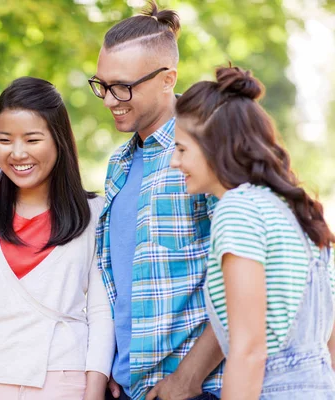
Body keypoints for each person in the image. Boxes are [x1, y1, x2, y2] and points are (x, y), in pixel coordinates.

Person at [0, 77, 114, 400]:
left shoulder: (94, 213)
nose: (17, 153)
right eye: (5, 139)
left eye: (32, 139)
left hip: (63, 380)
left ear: (59, 141)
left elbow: (101, 313)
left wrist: (93, 391)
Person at [170, 65, 335, 399]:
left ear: (214, 146)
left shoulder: (238, 210)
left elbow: (248, 351)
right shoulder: (294, 210)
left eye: (182, 149)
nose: (175, 161)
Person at [88, 1, 224, 399]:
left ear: (168, 79)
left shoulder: (207, 149)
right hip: (129, 386)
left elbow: (244, 284)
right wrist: (118, 361)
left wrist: (187, 379)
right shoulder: (118, 163)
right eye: (102, 85)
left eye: (123, 87)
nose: (110, 100)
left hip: (194, 390)